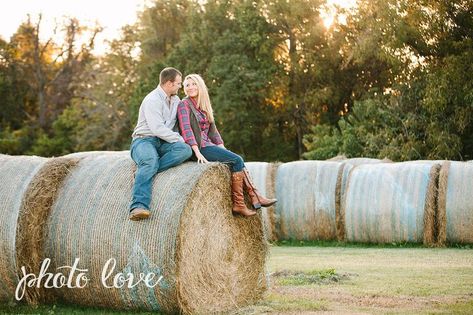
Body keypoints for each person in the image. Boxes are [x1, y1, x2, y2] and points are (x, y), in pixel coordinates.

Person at [177, 74, 276, 217]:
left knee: (236, 160)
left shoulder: (204, 105)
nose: (190, 87)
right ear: (184, 89)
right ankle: (241, 203)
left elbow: (213, 131)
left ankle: (254, 197)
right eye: (187, 85)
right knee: (237, 160)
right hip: (199, 147)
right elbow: (187, 131)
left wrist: (222, 148)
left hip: (208, 145)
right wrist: (197, 152)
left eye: (194, 84)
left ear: (200, 86)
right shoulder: (184, 105)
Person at [129, 67, 192, 221]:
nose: (180, 86)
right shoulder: (152, 100)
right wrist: (179, 138)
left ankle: (144, 172)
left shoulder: (176, 100)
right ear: (169, 83)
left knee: (184, 150)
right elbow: (157, 129)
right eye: (178, 83)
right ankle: (139, 206)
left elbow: (176, 126)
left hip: (163, 142)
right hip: (143, 140)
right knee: (150, 160)